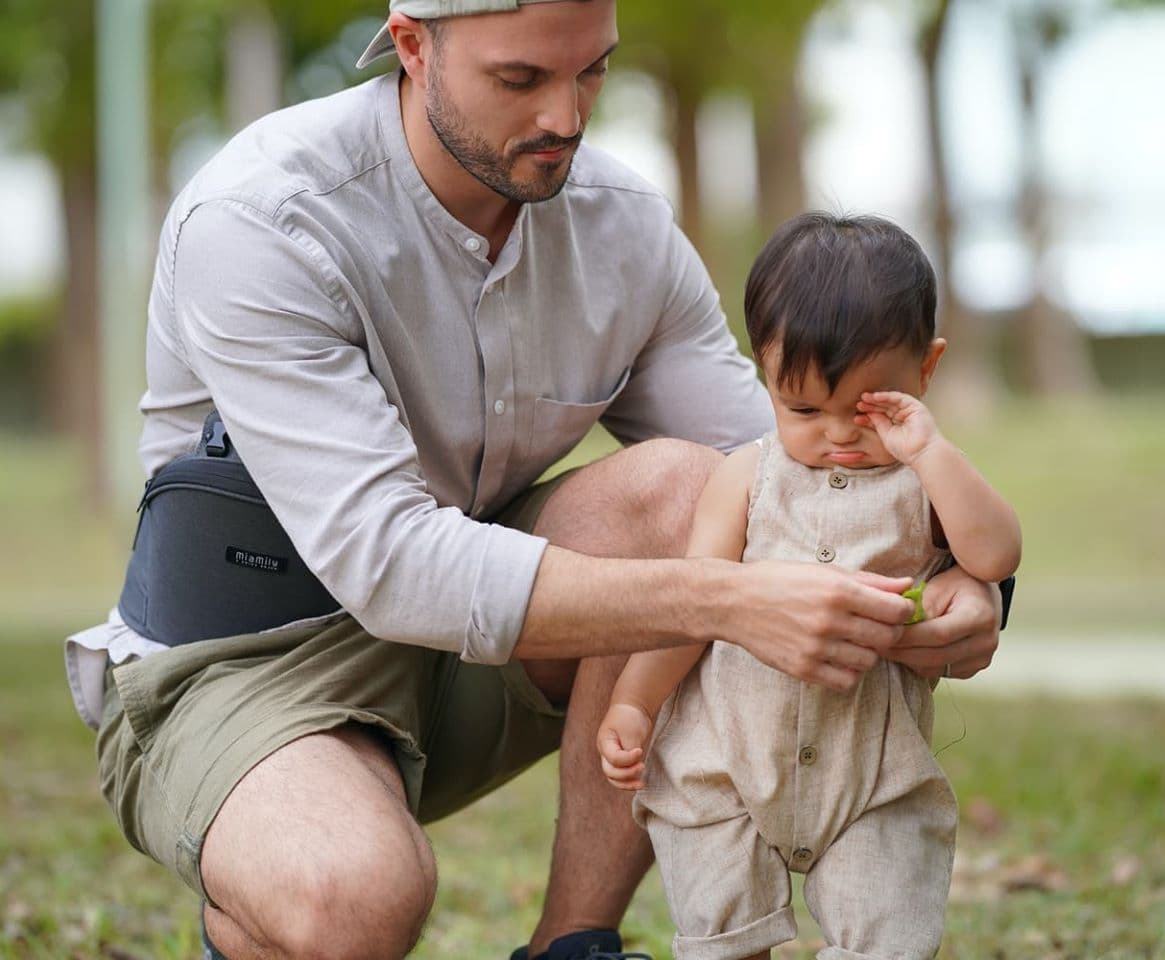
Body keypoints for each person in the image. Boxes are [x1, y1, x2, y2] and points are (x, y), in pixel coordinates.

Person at [64, 2, 1007, 959]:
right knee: (353, 900)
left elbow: (774, 468)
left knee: (695, 492)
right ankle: (269, 886)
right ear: (412, 46)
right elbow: (390, 564)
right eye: (521, 80)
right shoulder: (261, 218)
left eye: (592, 71)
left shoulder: (623, 225)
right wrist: (727, 599)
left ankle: (571, 946)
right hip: (252, 657)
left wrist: (975, 587)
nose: (568, 117)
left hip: (470, 657)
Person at [596, 213, 1022, 960]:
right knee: (721, 932)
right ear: (763, 373)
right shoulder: (745, 478)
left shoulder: (927, 480)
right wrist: (634, 701)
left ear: (926, 370)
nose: (837, 434)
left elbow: (995, 555)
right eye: (802, 408)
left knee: (885, 933)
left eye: (867, 409)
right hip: (725, 760)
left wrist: (930, 452)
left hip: (872, 770)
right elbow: (693, 607)